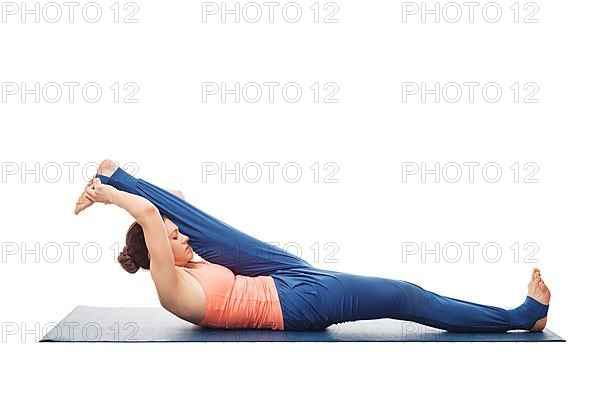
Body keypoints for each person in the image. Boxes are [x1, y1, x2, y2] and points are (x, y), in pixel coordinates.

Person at [74, 159, 550, 333]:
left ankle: (114, 171)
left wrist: (121, 190)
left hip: (277, 273)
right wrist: (110, 198)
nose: (181, 237)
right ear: (157, 253)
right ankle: (518, 317)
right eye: (174, 239)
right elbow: (154, 217)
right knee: (406, 295)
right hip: (294, 303)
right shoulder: (170, 283)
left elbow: (173, 206)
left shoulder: (189, 263)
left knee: (196, 217)